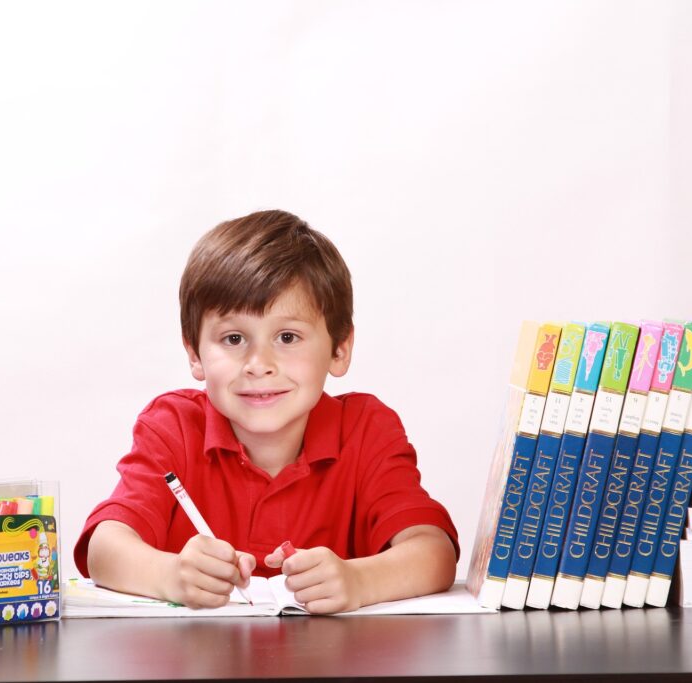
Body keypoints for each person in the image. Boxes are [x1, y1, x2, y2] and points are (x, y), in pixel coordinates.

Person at [74, 209, 458, 614]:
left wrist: (360, 580)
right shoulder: (173, 426)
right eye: (234, 337)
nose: (259, 363)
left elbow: (433, 553)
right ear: (195, 354)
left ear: (339, 349)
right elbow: (105, 547)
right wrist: (170, 574)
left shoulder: (366, 429)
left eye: (287, 337)